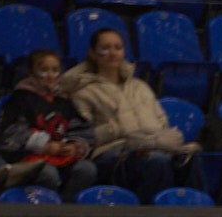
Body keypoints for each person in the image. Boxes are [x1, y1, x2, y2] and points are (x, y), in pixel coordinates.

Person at [61, 27, 192, 200]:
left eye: (117, 47)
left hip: (151, 144)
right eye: (105, 48)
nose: (112, 53)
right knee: (156, 162)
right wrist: (118, 130)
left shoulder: (140, 86)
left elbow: (162, 121)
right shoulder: (83, 92)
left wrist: (163, 139)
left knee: (191, 159)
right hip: (112, 153)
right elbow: (82, 138)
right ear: (93, 53)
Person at [0, 51, 99, 200]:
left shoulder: (63, 102)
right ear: (31, 72)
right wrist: (44, 145)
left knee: (87, 169)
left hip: (59, 157)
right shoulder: (19, 99)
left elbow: (82, 129)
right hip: (27, 158)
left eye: (54, 70)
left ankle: (67, 209)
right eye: (44, 70)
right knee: (48, 174)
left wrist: (74, 146)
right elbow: (8, 133)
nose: (50, 75)